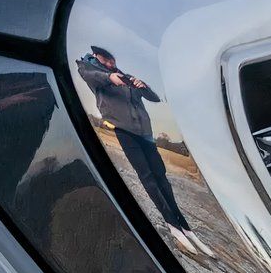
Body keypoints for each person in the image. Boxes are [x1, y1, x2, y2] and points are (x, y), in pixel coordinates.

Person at [77, 45, 208, 258]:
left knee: (161, 176)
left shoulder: (126, 77)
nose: (111, 62)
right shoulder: (91, 71)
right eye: (107, 59)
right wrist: (110, 77)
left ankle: (183, 224)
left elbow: (154, 98)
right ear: (96, 57)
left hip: (145, 132)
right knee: (147, 176)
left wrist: (143, 86)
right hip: (124, 131)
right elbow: (89, 75)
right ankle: (171, 224)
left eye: (112, 59)